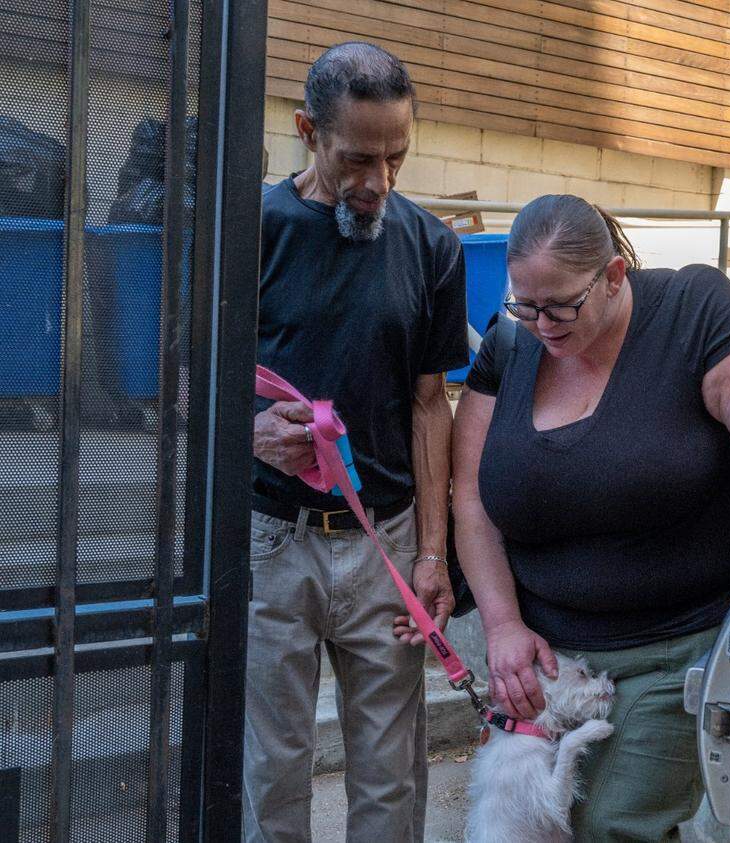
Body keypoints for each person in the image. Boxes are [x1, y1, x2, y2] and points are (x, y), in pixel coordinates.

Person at [451, 194, 730, 841]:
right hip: (549, 657)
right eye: (524, 305)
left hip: (674, 647)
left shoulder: (694, 311)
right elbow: (473, 497)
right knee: (534, 824)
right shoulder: (511, 343)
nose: (541, 324)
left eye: (560, 306)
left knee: (612, 824)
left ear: (613, 276)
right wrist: (502, 624)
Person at [245, 42, 467, 843]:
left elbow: (430, 404)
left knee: (391, 777)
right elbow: (191, 375)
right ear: (308, 131)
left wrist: (433, 553)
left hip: (387, 540)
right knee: (270, 772)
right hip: (272, 538)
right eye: (357, 159)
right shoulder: (252, 229)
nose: (379, 181)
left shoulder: (432, 246)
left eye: (396, 157)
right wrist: (248, 431)